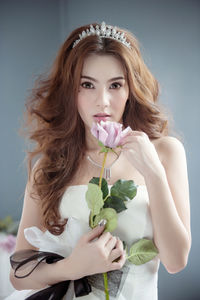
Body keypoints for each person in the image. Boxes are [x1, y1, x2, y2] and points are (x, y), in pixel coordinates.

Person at [7, 21, 191, 300]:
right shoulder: (51, 165)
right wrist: (73, 267)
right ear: (71, 90)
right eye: (87, 85)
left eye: (115, 85)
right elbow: (18, 274)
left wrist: (153, 172)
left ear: (131, 90)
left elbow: (176, 261)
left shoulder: (165, 152)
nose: (102, 101)